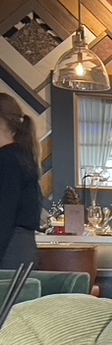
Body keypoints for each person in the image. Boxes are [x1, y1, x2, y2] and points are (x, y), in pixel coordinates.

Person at [0, 94, 42, 269]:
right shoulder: (21, 157)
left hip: (9, 248)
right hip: (21, 247)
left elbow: (4, 214)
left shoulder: (7, 160)